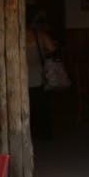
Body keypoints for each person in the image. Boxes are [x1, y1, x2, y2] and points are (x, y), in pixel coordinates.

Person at [25, 9, 57, 141]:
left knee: (29, 107)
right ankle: (44, 134)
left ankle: (29, 133)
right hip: (39, 75)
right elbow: (52, 49)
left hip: (22, 76)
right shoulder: (40, 35)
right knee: (43, 106)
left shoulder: (17, 35)